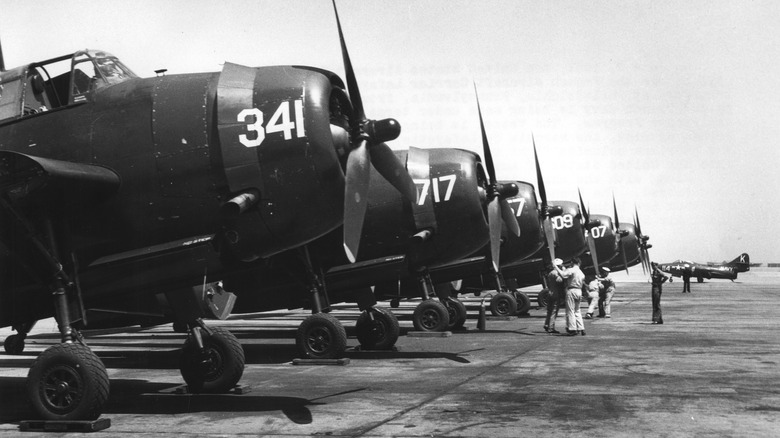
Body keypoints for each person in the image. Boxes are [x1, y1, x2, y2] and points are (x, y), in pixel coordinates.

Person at [554, 257, 586, 336]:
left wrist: (555, 266)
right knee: (577, 310)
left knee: (570, 310)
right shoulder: (581, 272)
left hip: (572, 290)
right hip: (579, 290)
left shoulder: (571, 269)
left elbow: (563, 275)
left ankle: (572, 329)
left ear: (572, 262)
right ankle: (581, 328)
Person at [543, 258, 565, 334]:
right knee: (554, 311)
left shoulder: (551, 273)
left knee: (549, 311)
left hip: (550, 292)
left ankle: (546, 324)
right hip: (556, 293)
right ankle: (551, 327)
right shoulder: (557, 274)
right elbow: (560, 281)